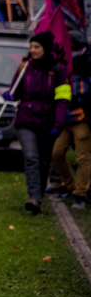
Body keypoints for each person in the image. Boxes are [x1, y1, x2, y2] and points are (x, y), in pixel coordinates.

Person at [4, 32, 70, 215]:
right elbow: (15, 92)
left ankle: (38, 195)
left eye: (37, 47)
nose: (32, 50)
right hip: (26, 120)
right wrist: (9, 94)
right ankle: (34, 197)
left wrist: (58, 124)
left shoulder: (58, 70)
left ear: (46, 49)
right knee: (31, 157)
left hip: (48, 121)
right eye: (31, 47)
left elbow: (63, 100)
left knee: (43, 161)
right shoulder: (24, 67)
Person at [52, 33, 91, 210]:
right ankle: (69, 186)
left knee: (83, 157)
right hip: (64, 118)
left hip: (82, 119)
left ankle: (81, 193)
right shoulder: (62, 65)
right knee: (56, 153)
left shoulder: (87, 64)